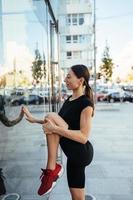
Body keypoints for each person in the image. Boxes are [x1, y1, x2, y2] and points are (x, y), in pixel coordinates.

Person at [23, 64, 94, 200]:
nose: (65, 80)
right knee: (77, 197)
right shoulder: (69, 100)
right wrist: (34, 119)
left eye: (69, 77)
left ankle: (52, 169)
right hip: (72, 156)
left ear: (81, 81)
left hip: (81, 151)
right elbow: (55, 124)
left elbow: (84, 137)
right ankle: (52, 168)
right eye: (65, 77)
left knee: (51, 116)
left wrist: (54, 128)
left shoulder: (86, 104)